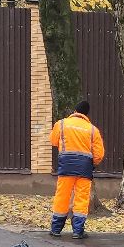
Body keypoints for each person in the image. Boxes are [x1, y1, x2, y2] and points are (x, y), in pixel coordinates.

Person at [49, 99, 104, 239]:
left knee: (62, 196)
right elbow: (99, 154)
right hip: (85, 168)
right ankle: (77, 231)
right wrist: (93, 163)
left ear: (74, 111)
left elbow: (53, 141)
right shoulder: (93, 129)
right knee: (82, 198)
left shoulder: (61, 124)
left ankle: (56, 229)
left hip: (66, 165)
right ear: (87, 114)